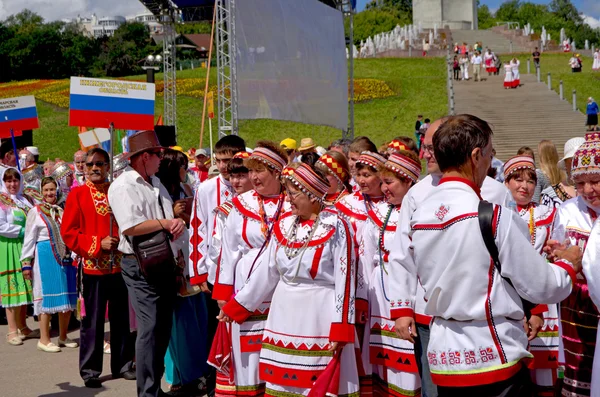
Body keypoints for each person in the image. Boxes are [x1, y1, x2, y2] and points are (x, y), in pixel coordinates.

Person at [393, 114, 580, 395]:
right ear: (476, 155)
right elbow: (542, 285)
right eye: (490, 154)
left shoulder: (421, 213)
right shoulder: (492, 216)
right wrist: (569, 263)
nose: (490, 162)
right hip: (491, 352)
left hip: (445, 355)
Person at [387, 118, 511, 397]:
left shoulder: (496, 191)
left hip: (486, 313)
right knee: (435, 389)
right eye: (425, 147)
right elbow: (401, 254)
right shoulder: (417, 194)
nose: (426, 154)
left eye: (432, 147)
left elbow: (511, 255)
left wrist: (531, 307)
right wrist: (402, 309)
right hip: (431, 313)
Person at [220, 163, 359, 397]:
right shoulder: (284, 224)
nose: (289, 198)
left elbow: (345, 279)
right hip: (283, 315)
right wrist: (237, 305)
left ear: (313, 196)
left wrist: (341, 326)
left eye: (294, 193)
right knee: (282, 381)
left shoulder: (336, 225)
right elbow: (267, 270)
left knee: (315, 380)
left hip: (318, 316)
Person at [108, 130, 187, 397]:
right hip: (139, 263)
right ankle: (147, 392)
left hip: (162, 260)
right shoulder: (123, 186)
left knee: (162, 327)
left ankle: (153, 386)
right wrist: (166, 223)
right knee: (150, 327)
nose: (161, 158)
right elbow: (131, 227)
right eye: (157, 154)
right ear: (143, 157)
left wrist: (175, 220)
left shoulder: (155, 182)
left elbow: (164, 216)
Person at [211, 142, 288, 397]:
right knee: (248, 354)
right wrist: (223, 292)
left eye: (259, 171)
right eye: (251, 170)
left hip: (280, 292)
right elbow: (229, 250)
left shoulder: (292, 204)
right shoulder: (240, 204)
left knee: (277, 352)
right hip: (243, 287)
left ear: (277, 172)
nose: (253, 177)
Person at [61, 148, 134, 387]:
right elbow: (69, 233)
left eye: (100, 164)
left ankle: (123, 364)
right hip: (94, 267)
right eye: (91, 164)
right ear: (83, 168)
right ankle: (90, 370)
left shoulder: (117, 191)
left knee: (121, 318)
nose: (95, 168)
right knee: (92, 321)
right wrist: (97, 244)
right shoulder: (78, 195)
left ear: (107, 167)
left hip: (120, 265)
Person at [361, 151, 422, 396]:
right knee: (382, 354)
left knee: (408, 352)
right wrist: (364, 297)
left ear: (408, 181)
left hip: (410, 288)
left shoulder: (421, 212)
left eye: (390, 182)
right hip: (380, 290)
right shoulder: (379, 213)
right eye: (382, 182)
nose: (384, 188)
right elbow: (367, 258)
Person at [549, 132, 600, 397]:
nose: (588, 190)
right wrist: (557, 253)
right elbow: (557, 248)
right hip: (577, 308)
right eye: (580, 183)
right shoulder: (568, 211)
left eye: (595, 181)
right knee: (580, 367)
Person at [502, 156, 559, 395]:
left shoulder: (548, 213)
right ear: (505, 182)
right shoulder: (498, 213)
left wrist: (555, 251)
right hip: (506, 293)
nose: (524, 186)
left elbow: (558, 244)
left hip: (540, 291)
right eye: (517, 179)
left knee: (543, 367)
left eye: (531, 181)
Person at [156, 149, 210, 395]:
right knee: (177, 323)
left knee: (195, 320)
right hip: (171, 263)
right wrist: (171, 216)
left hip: (191, 261)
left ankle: (196, 372)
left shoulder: (188, 190)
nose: (185, 172)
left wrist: (185, 214)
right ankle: (177, 374)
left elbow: (195, 222)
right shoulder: (159, 193)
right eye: (182, 167)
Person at [21, 176, 78, 353]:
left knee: (67, 298)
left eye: (52, 189)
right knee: (45, 298)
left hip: (64, 257)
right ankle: (44, 339)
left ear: (57, 190)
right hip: (45, 256)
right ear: (41, 192)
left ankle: (62, 336)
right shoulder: (36, 212)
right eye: (46, 190)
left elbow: (69, 233)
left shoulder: (61, 211)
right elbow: (29, 238)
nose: (49, 193)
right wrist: (26, 263)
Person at [0, 167, 37, 346]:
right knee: (12, 286)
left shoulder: (26, 199)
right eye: (8, 181)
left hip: (25, 246)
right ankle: (11, 329)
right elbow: (1, 226)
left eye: (15, 180)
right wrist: (22, 231)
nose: (12, 184)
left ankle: (23, 325)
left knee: (24, 284)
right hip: (10, 245)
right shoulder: (1, 200)